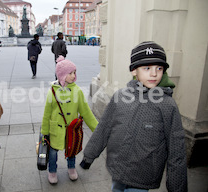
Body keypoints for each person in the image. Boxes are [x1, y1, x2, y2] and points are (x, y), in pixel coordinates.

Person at [80, 41, 187, 192]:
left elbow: (177, 149)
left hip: (143, 176)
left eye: (159, 68)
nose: (154, 73)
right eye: (147, 68)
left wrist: (177, 187)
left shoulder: (167, 105)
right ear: (134, 71)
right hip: (117, 169)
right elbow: (104, 127)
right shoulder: (120, 97)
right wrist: (89, 155)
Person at [41, 57, 98, 185]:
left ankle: (71, 168)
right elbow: (47, 114)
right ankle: (52, 171)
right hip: (56, 129)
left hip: (72, 129)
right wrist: (45, 131)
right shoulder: (52, 92)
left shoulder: (77, 91)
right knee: (53, 152)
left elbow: (86, 112)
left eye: (74, 73)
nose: (74, 76)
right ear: (62, 75)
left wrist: (97, 128)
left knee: (71, 150)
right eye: (71, 73)